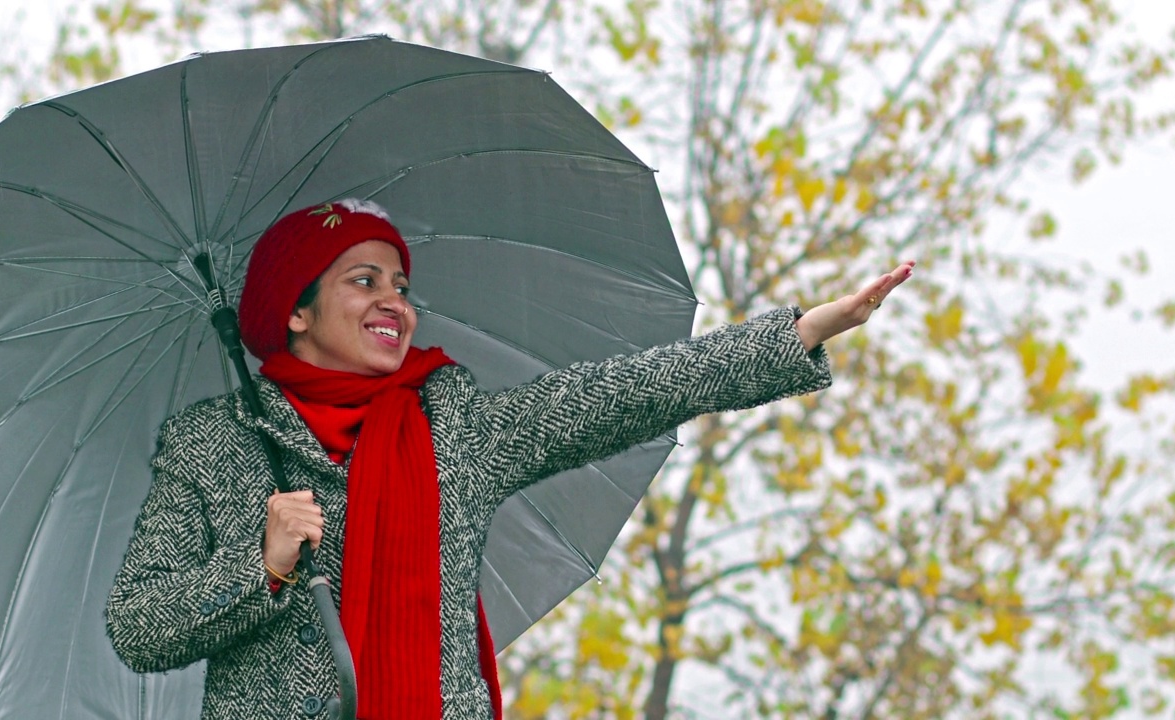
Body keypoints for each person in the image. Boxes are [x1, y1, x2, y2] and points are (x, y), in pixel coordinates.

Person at [105, 198, 914, 720]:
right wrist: (263, 565)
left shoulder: (451, 426)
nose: (396, 302)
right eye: (363, 280)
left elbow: (620, 394)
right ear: (296, 312)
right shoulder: (215, 446)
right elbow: (138, 627)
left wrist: (800, 333)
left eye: (401, 283)